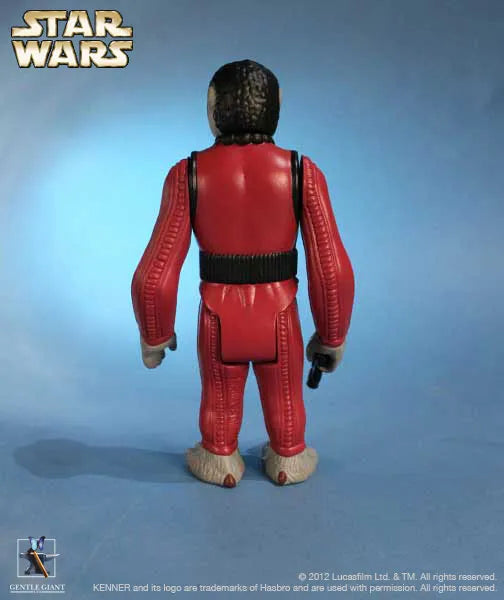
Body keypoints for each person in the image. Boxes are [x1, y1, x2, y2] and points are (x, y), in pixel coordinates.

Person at [132, 60, 354, 487]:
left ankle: (219, 456)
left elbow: (156, 270)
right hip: (280, 312)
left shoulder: (187, 174)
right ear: (277, 106)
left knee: (219, 398)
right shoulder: (302, 173)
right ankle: (288, 455)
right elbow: (331, 267)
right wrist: (332, 334)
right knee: (286, 397)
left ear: (212, 107)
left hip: (218, 313)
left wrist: (154, 333)